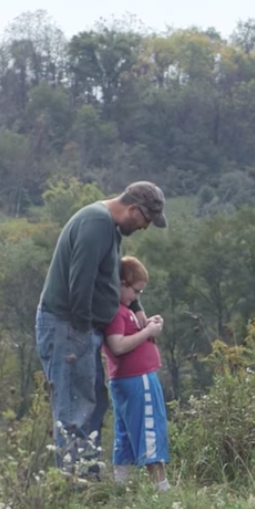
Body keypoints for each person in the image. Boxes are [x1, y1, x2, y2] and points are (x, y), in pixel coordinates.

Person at [36, 181, 167, 479]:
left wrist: (136, 311)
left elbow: (113, 274)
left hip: (79, 328)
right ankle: (77, 486)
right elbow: (79, 283)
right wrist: (83, 330)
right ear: (134, 209)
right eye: (146, 221)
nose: (145, 228)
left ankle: (88, 478)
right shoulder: (96, 223)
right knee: (74, 408)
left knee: (91, 402)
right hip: (67, 327)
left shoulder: (108, 227)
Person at [103, 255, 171, 490]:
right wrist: (147, 332)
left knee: (125, 434)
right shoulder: (117, 311)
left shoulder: (126, 310)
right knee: (150, 428)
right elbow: (118, 345)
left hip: (126, 381)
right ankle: (160, 487)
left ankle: (121, 486)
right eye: (136, 292)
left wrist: (148, 325)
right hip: (137, 379)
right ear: (122, 284)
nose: (137, 298)